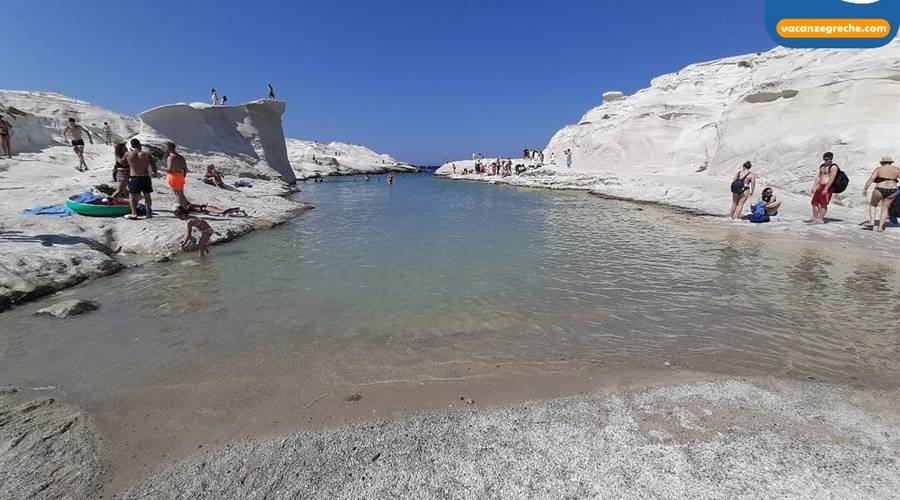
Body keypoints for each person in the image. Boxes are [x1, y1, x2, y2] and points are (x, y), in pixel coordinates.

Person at [122, 138, 158, 220]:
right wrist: (154, 172)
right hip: (145, 177)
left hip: (134, 176)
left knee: (132, 195)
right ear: (139, 145)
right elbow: (153, 165)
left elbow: (121, 162)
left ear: (132, 146)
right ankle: (148, 213)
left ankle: (134, 213)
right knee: (147, 195)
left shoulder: (128, 154)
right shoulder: (146, 154)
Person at [862, 156, 899, 232]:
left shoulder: (879, 169)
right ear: (891, 163)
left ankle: (872, 222)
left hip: (880, 188)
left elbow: (871, 179)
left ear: (882, 162)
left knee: (873, 204)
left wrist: (865, 188)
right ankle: (880, 227)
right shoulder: (897, 169)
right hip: (892, 190)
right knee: (885, 208)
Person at [811, 152, 838, 224]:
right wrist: (814, 186)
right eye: (826, 159)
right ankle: (815, 217)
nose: (828, 161)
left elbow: (832, 178)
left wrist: (826, 188)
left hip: (828, 187)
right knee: (814, 202)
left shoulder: (833, 167)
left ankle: (820, 218)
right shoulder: (822, 166)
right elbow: (819, 176)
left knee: (823, 203)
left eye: (829, 159)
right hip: (820, 186)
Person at [165, 142, 190, 209]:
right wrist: (183, 176)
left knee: (178, 194)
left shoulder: (171, 157)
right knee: (181, 193)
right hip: (180, 175)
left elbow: (170, 168)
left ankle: (184, 209)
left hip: (173, 176)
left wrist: (165, 169)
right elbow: (185, 168)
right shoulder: (181, 157)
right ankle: (184, 207)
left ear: (168, 148)